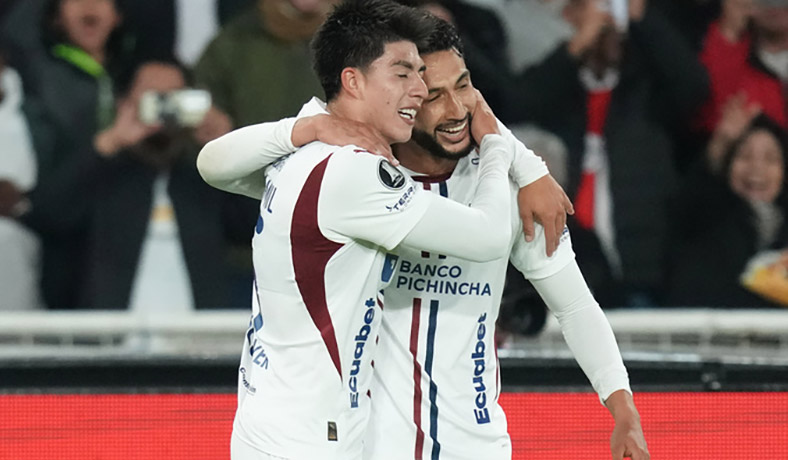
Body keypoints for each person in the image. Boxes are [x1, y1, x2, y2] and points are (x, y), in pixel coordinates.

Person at [199, 14, 649, 460]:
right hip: (363, 446)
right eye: (431, 94)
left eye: (464, 86)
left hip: (474, 446)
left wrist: (624, 409)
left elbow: (573, 305)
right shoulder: (359, 173)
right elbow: (215, 163)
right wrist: (512, 153)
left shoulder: (505, 192)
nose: (455, 110)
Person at [198, 1, 522, 458]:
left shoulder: (304, 150)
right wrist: (497, 148)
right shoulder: (354, 175)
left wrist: (304, 127)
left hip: (269, 416)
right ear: (352, 80)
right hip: (312, 437)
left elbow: (210, 163)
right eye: (402, 73)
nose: (419, 88)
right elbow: (488, 236)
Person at [668, 109, 788, 308]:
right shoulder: (704, 217)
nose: (756, 168)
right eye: (745, 155)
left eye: (770, 159)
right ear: (727, 165)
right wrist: (719, 146)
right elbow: (686, 205)